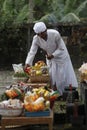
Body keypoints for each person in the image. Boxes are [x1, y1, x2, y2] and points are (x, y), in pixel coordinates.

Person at [24, 22, 78, 95]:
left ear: (46, 30)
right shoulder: (36, 39)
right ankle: (55, 93)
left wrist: (53, 55)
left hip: (61, 55)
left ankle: (66, 93)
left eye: (42, 33)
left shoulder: (55, 34)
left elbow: (61, 48)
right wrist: (27, 63)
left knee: (62, 76)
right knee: (52, 76)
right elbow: (32, 52)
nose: (40, 36)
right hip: (50, 58)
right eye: (38, 34)